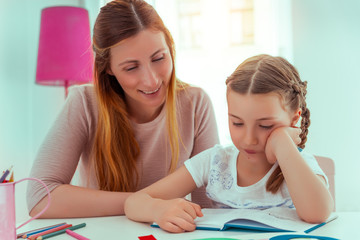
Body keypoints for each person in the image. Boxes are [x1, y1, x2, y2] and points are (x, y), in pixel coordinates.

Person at [27, 0, 219, 218]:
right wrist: (146, 206)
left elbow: (210, 207)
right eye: (131, 67)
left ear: (170, 48)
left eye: (159, 58)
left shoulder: (196, 104)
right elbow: (39, 198)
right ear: (108, 67)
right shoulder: (84, 103)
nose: (151, 80)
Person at [124, 54, 335, 233]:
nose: (249, 139)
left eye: (265, 126)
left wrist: (282, 143)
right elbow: (133, 203)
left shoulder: (299, 164)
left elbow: (318, 213)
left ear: (294, 119)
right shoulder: (215, 162)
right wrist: (157, 210)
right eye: (237, 123)